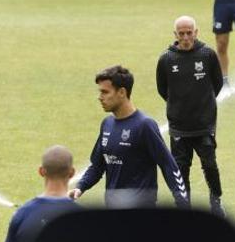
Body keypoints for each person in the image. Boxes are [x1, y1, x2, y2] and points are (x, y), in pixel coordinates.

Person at [72, 66, 190, 209]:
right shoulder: (107, 124)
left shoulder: (145, 125)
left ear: (122, 92)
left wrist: (182, 203)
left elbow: (168, 165)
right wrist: (80, 187)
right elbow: (97, 166)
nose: (100, 97)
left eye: (105, 92)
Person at [156, 15, 226, 216]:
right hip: (179, 127)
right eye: (182, 33)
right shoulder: (166, 59)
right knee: (180, 169)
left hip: (204, 125)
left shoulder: (207, 55)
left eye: (189, 33)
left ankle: (216, 200)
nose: (186, 37)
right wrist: (178, 108)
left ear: (196, 32)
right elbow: (163, 89)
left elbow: (217, 84)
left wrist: (204, 107)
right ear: (175, 35)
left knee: (210, 165)